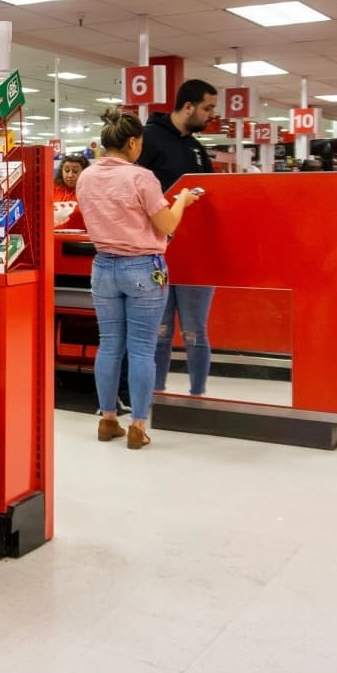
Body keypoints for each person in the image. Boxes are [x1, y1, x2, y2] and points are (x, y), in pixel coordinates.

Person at [75, 107, 199, 449]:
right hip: (143, 267)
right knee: (142, 348)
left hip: (103, 268)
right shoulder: (140, 177)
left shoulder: (85, 177)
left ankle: (107, 419)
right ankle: (138, 426)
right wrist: (183, 200)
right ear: (132, 142)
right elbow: (167, 225)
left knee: (109, 344)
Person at [138, 79, 218, 397]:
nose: (211, 115)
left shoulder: (197, 149)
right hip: (155, 251)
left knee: (194, 331)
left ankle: (198, 395)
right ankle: (155, 396)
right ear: (188, 107)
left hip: (196, 254)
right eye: (208, 108)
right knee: (159, 331)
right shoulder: (149, 139)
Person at [53, 154, 88, 229]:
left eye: (75, 171)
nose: (70, 175)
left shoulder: (89, 191)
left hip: (79, 239)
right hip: (54, 238)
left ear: (85, 172)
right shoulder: (53, 187)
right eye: (66, 170)